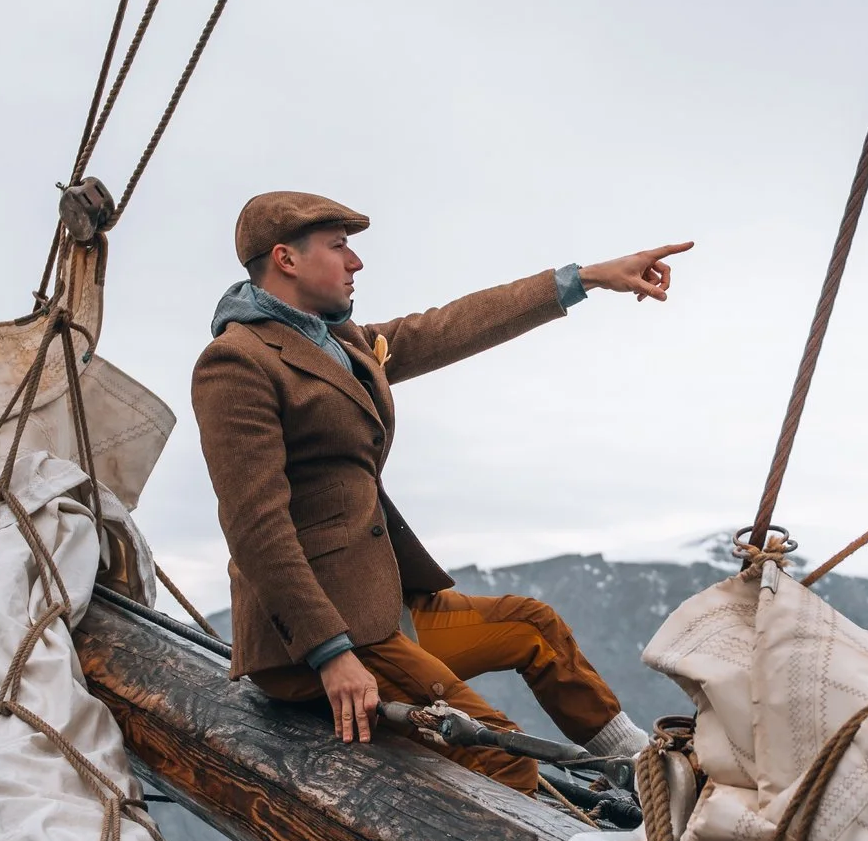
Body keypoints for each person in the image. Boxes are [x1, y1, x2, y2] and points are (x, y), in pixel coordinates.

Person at [192, 191, 688, 794]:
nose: (356, 263)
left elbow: (450, 326)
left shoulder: (339, 343)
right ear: (286, 260)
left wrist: (582, 280)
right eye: (340, 247)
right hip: (320, 639)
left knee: (534, 628)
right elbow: (254, 527)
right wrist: (330, 653)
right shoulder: (236, 363)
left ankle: (643, 774)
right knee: (501, 757)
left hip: (383, 605)